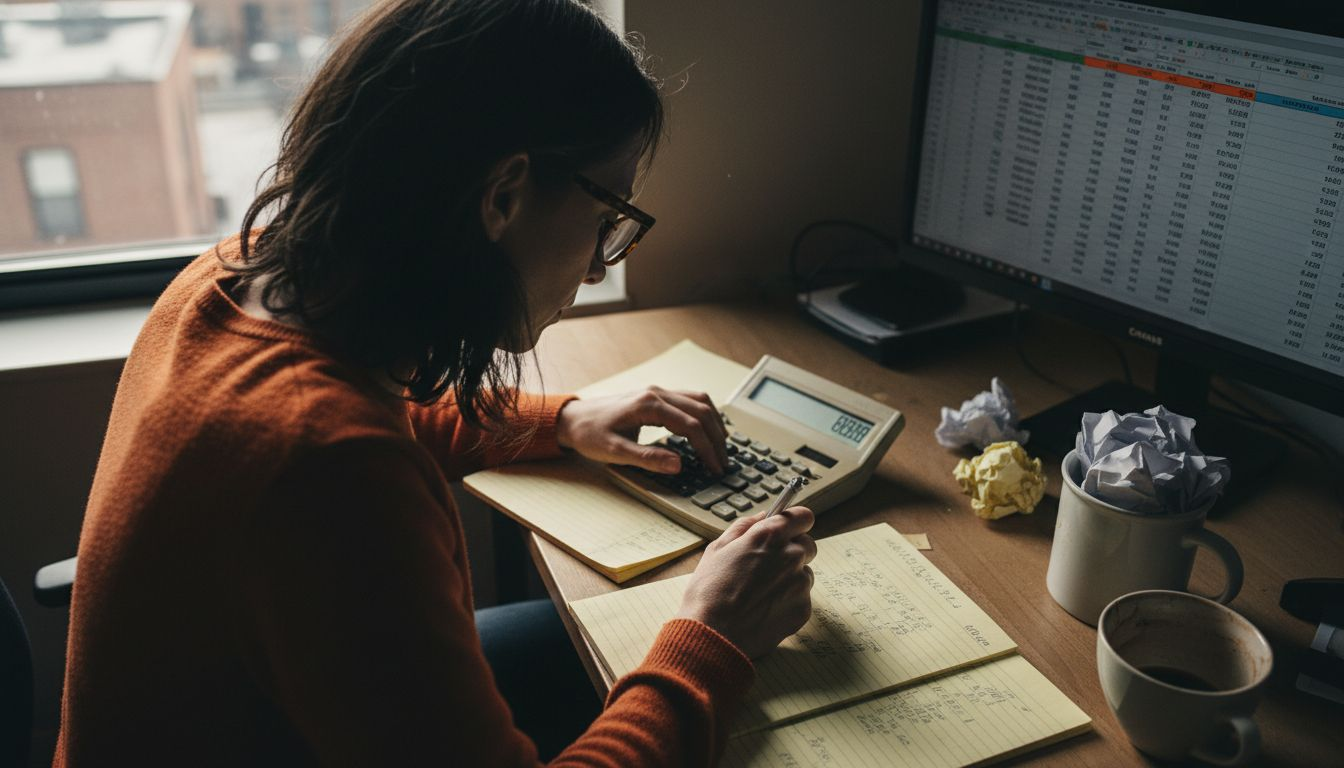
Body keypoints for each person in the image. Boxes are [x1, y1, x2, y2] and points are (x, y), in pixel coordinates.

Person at [55, 0, 817, 765]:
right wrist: (714, 640)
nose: (596, 266)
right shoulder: (329, 471)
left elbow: (368, 413)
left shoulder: (238, 276)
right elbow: (335, 447)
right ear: (503, 197)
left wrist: (565, 420)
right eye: (607, 216)